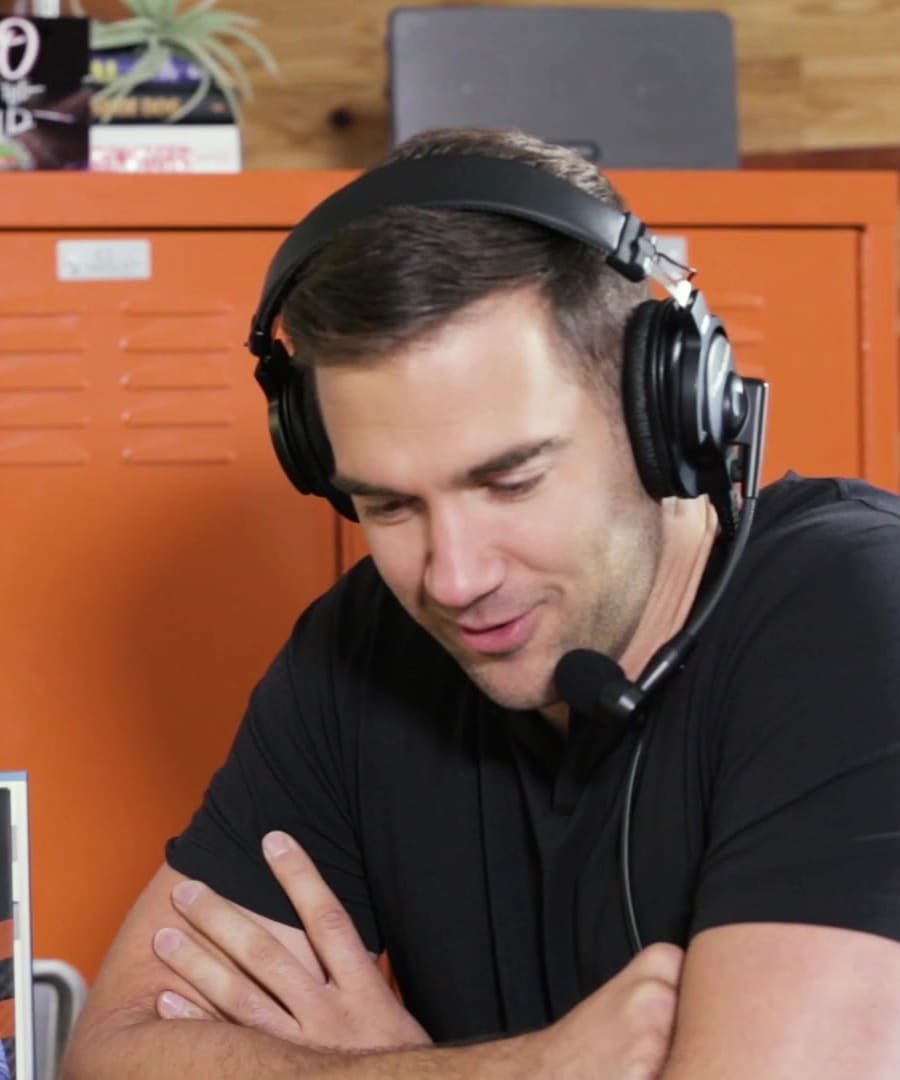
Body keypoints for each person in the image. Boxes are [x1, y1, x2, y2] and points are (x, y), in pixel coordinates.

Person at [64, 128, 900, 1079]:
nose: (454, 579)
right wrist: (515, 1069)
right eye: (390, 506)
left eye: (510, 482)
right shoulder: (357, 650)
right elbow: (111, 1056)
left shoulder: (855, 617)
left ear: (662, 417)